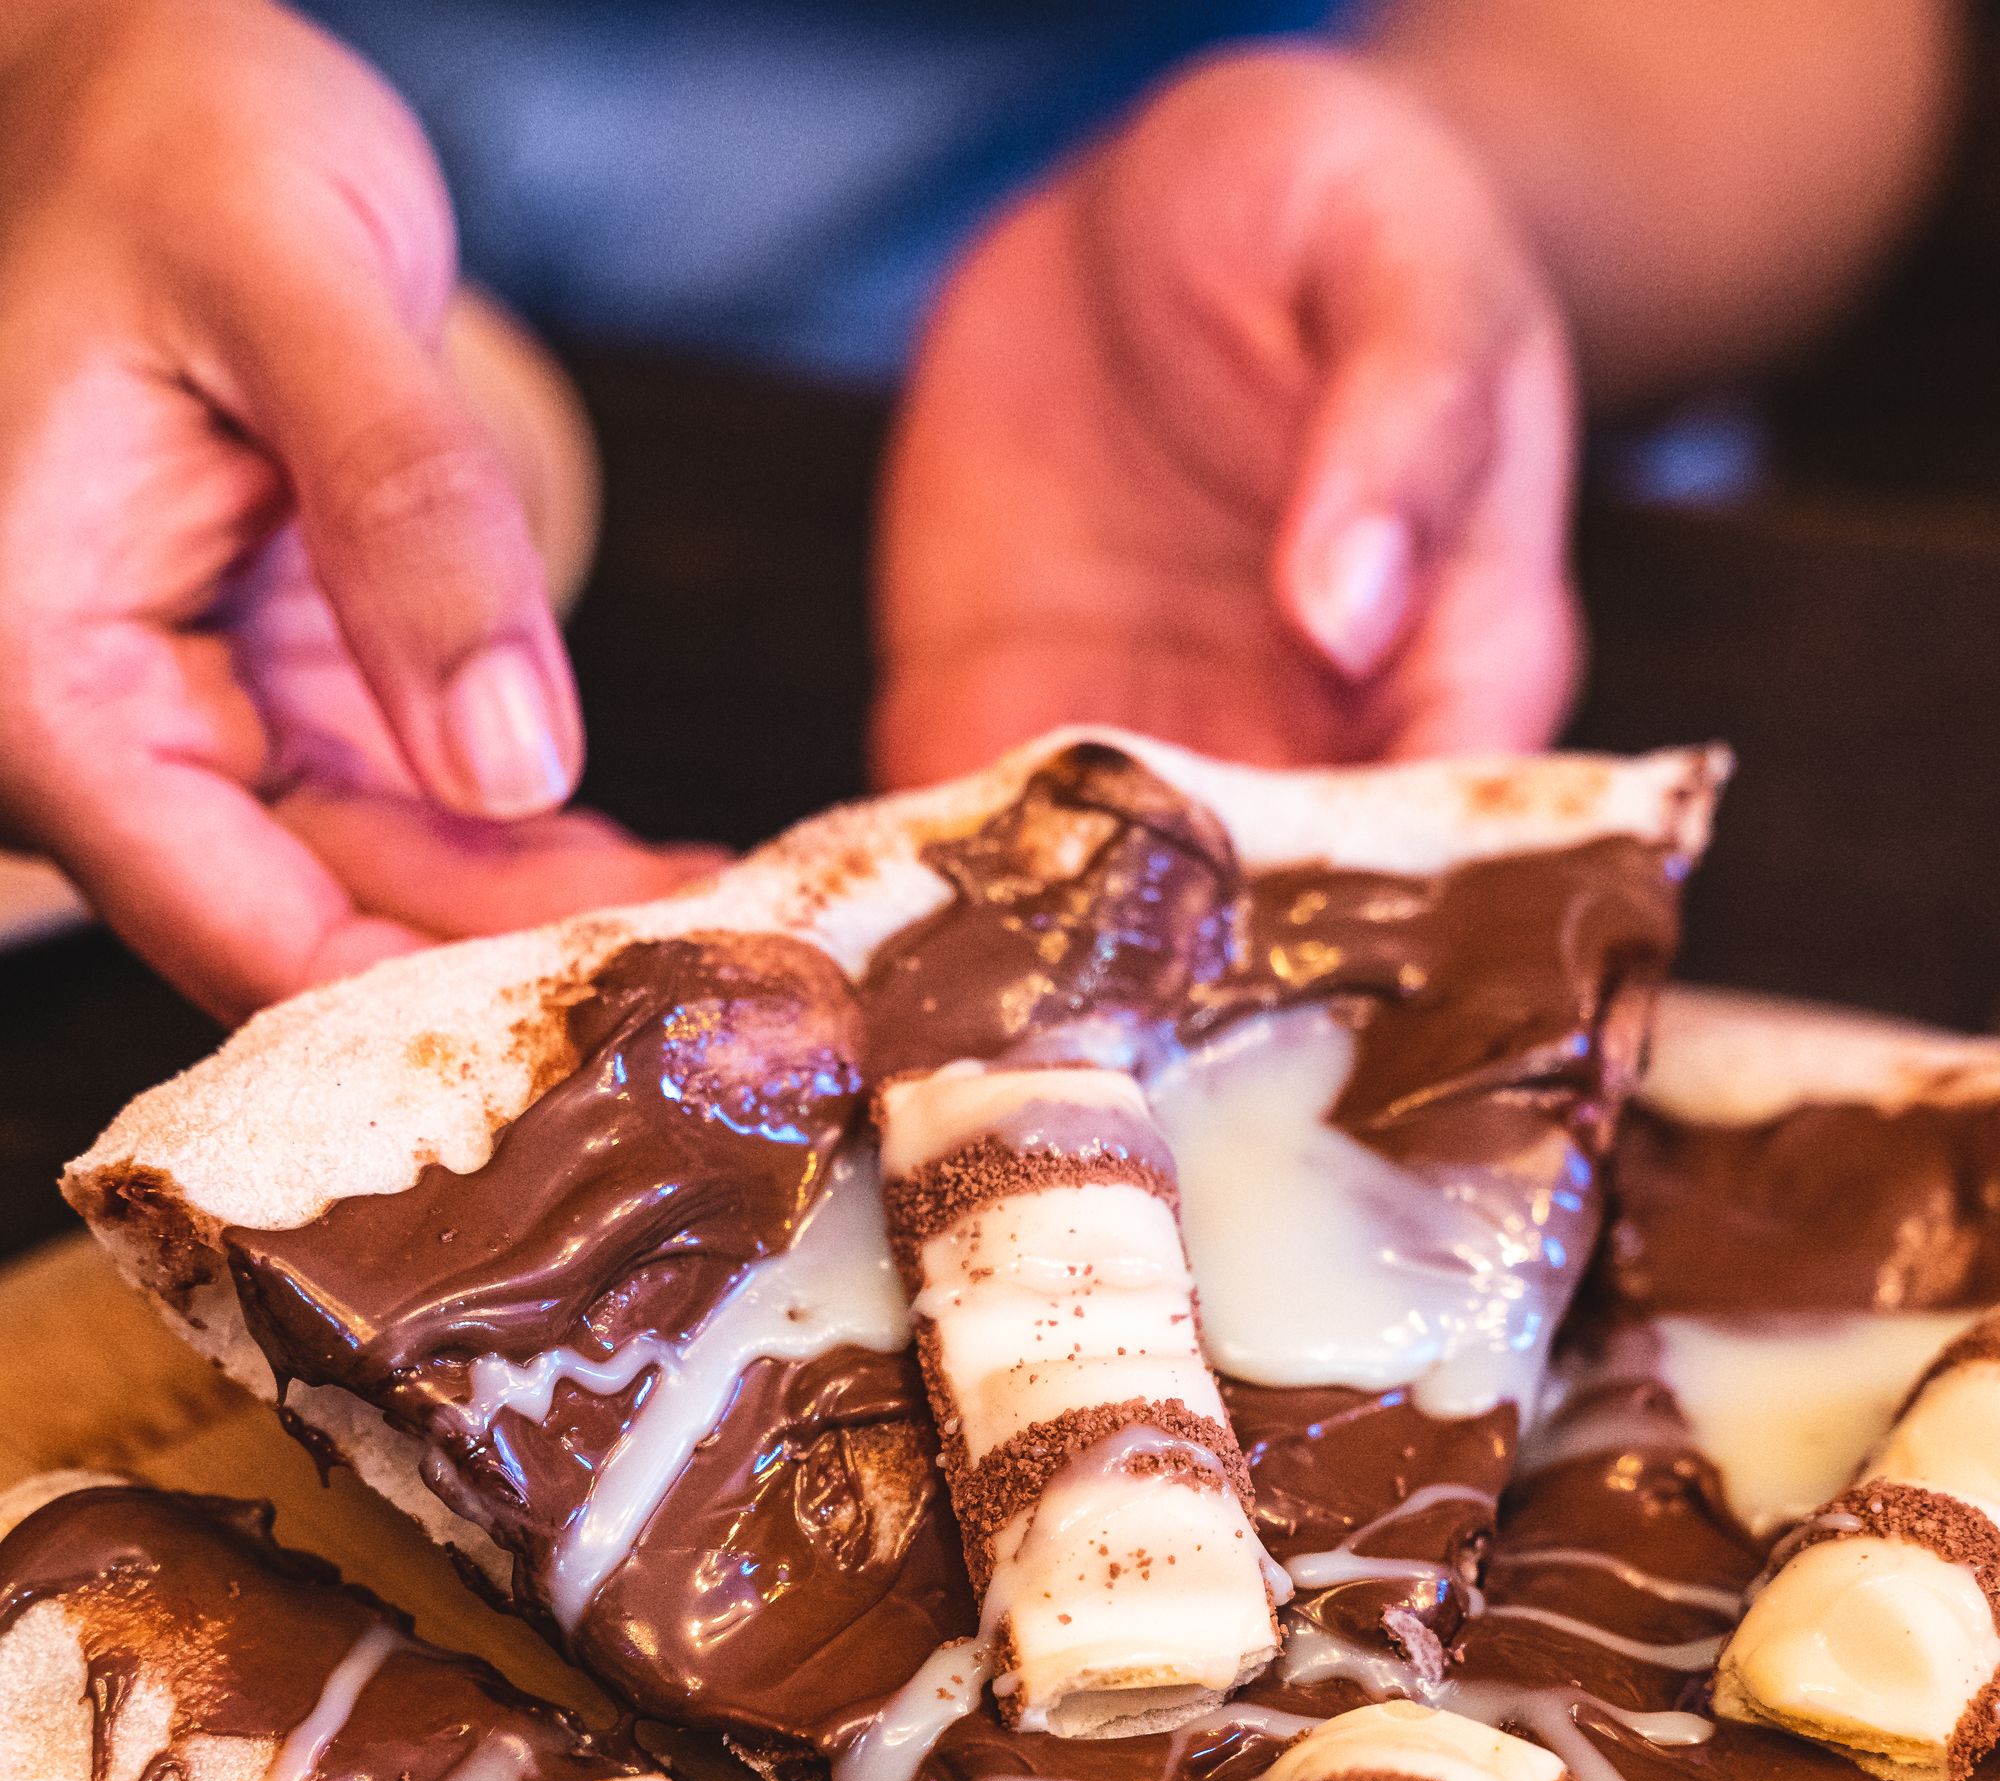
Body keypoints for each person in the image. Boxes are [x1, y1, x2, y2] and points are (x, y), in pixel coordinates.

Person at [0, 0, 1965, 1019]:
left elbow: (1780, 41)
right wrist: (57, 86)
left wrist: (1475, 199)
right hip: (209, 511)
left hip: (1268, 519)